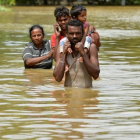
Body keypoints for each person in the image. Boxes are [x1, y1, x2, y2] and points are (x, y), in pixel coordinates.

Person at [53, 19, 100, 88]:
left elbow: (96, 75)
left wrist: (83, 53)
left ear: (83, 33)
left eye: (77, 33)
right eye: (71, 33)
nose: (74, 36)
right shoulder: (61, 48)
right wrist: (64, 54)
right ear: (66, 33)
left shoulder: (91, 47)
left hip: (86, 95)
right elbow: (57, 78)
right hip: (68, 96)